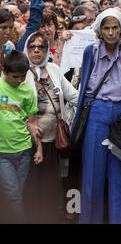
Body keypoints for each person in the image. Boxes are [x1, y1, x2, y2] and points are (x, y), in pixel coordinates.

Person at [72, 8, 121, 224]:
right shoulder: (90, 51)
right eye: (106, 28)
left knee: (120, 174)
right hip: (96, 112)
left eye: (114, 28)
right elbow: (85, 85)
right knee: (92, 175)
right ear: (99, 30)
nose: (111, 32)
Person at [22, 31, 79, 223]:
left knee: (51, 183)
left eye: (41, 47)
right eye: (32, 47)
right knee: (33, 183)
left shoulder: (54, 69)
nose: (37, 50)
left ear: (47, 50)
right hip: (31, 141)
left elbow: (73, 96)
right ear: (27, 50)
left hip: (55, 139)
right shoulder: (21, 72)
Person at [0, 50, 43, 223]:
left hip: (24, 151)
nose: (19, 81)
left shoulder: (27, 92)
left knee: (17, 194)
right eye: (15, 77)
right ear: (4, 72)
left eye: (22, 76)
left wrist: (39, 149)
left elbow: (33, 123)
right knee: (13, 195)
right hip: (2, 154)